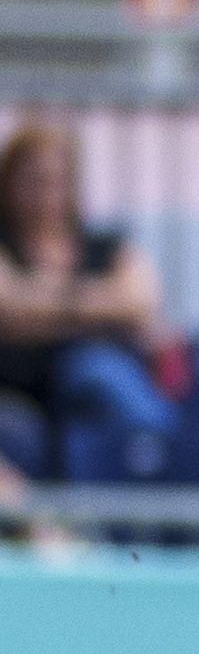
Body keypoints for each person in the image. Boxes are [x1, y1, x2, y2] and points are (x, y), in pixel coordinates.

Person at [0, 120, 181, 474]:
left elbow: (141, 303)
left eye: (57, 180)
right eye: (35, 180)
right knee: (97, 369)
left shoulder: (104, 244)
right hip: (21, 391)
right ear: (9, 182)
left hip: (91, 387)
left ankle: (171, 456)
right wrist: (98, 306)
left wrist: (43, 304)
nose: (46, 193)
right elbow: (7, 308)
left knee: (99, 372)